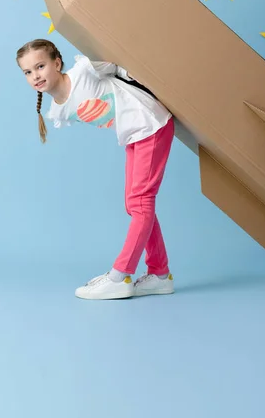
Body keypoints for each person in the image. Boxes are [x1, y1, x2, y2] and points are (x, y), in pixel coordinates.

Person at [16, 38, 175, 301]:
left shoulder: (83, 70)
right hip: (133, 134)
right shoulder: (58, 111)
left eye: (40, 66)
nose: (36, 75)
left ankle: (120, 275)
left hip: (150, 123)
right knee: (134, 204)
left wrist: (137, 76)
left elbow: (117, 67)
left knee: (141, 202)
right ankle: (159, 274)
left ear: (57, 63)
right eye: (28, 72)